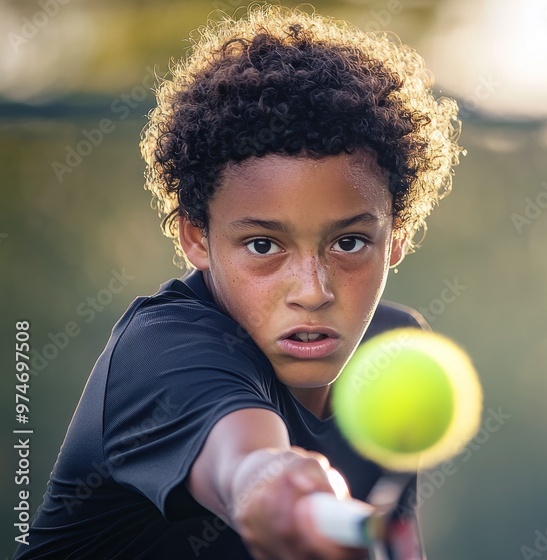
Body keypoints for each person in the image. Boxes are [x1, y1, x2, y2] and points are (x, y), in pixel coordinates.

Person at [14, 5, 462, 559]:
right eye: (263, 246)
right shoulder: (158, 354)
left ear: (398, 235)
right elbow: (244, 465)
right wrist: (272, 486)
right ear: (196, 238)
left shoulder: (392, 353)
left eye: (348, 242)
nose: (312, 289)